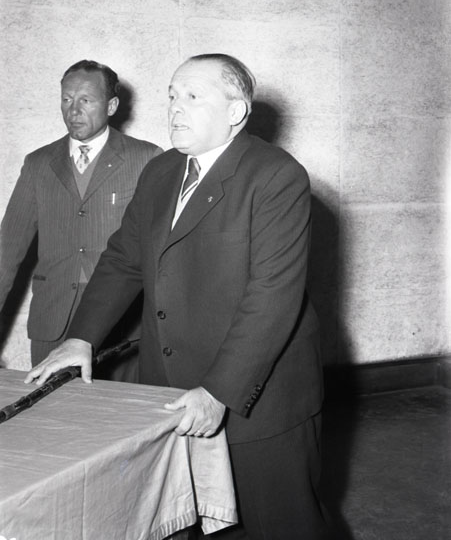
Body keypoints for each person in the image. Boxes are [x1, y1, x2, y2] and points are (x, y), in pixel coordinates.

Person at [26, 54, 334, 539]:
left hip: (258, 398)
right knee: (180, 520)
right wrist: (81, 337)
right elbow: (123, 259)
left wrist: (219, 392)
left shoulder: (276, 176)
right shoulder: (162, 171)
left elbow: (273, 296)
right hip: (170, 391)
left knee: (282, 525)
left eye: (193, 96)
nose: (175, 108)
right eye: (172, 95)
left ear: (236, 111)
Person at [0, 59, 162, 381]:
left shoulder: (147, 159)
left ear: (112, 106)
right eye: (67, 99)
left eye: (86, 100)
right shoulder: (38, 164)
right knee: (51, 411)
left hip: (123, 326)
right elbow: (6, 252)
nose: (73, 110)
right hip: (53, 324)